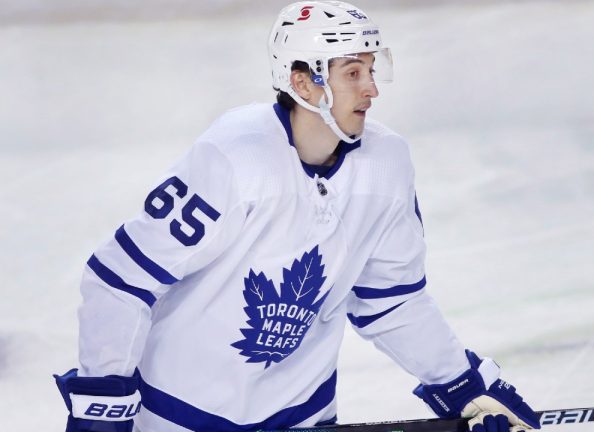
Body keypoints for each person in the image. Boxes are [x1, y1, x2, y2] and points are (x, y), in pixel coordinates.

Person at [53, 2, 541, 432]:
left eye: (373, 70)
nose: (372, 89)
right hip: (178, 416)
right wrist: (104, 400)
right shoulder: (234, 158)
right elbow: (119, 279)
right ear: (303, 81)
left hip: (304, 416)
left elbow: (391, 300)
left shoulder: (387, 164)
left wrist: (459, 382)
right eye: (353, 72)